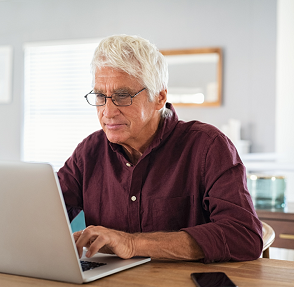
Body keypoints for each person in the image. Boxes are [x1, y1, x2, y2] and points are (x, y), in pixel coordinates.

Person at [57, 34, 263, 263]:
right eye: (100, 96)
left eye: (122, 96)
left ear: (159, 97)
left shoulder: (208, 147)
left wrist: (132, 243)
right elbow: (45, 211)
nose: (107, 112)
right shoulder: (89, 152)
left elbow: (244, 236)